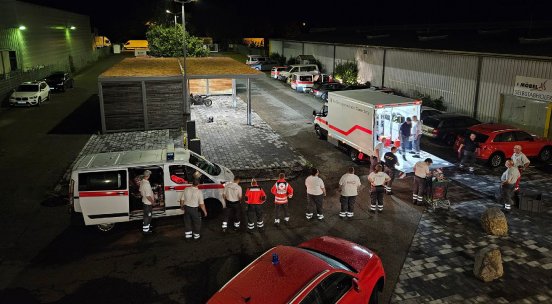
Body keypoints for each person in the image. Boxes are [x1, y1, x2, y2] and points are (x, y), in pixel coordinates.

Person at [139, 170, 155, 235]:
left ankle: (147, 226)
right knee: (147, 216)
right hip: (148, 203)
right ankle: (146, 231)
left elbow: (140, 191)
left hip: (144, 201)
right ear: (149, 175)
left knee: (146, 215)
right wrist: (152, 202)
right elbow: (148, 196)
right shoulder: (146, 184)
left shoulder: (142, 181)